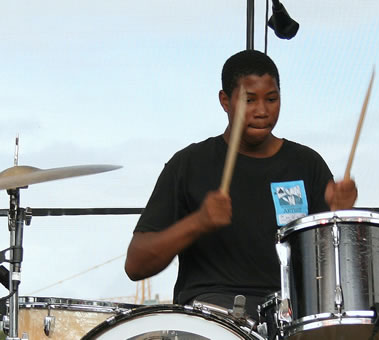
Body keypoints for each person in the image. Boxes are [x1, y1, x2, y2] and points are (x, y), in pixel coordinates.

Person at [124, 49, 357, 318]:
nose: (261, 111)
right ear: (225, 101)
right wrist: (198, 221)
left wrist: (339, 215)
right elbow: (136, 264)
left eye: (271, 99)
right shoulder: (188, 164)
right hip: (209, 315)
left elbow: (332, 266)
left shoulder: (306, 164)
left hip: (289, 315)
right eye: (249, 100)